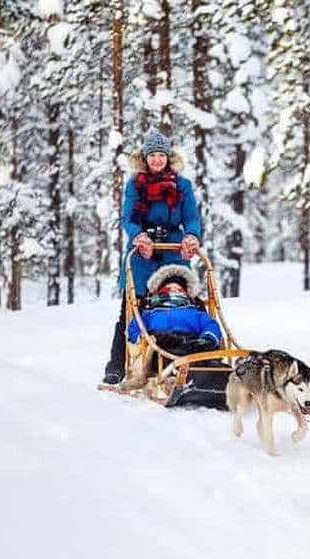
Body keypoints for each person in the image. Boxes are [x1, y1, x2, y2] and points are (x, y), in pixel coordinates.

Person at [102, 127, 201, 384]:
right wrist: (139, 236)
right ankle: (117, 364)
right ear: (145, 158)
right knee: (131, 310)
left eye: (161, 155)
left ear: (169, 157)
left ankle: (190, 357)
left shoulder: (183, 185)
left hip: (173, 253)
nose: (157, 160)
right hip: (142, 254)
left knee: (182, 304)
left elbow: (191, 217)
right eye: (152, 155)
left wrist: (191, 236)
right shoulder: (135, 185)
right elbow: (129, 217)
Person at [127, 263, 222, 349]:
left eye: (178, 290)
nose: (173, 291)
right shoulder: (149, 312)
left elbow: (210, 325)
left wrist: (208, 338)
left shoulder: (196, 311)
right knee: (164, 342)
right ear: (158, 293)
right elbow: (134, 328)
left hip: (192, 342)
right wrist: (142, 339)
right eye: (167, 289)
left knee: (203, 357)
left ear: (186, 294)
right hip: (159, 344)